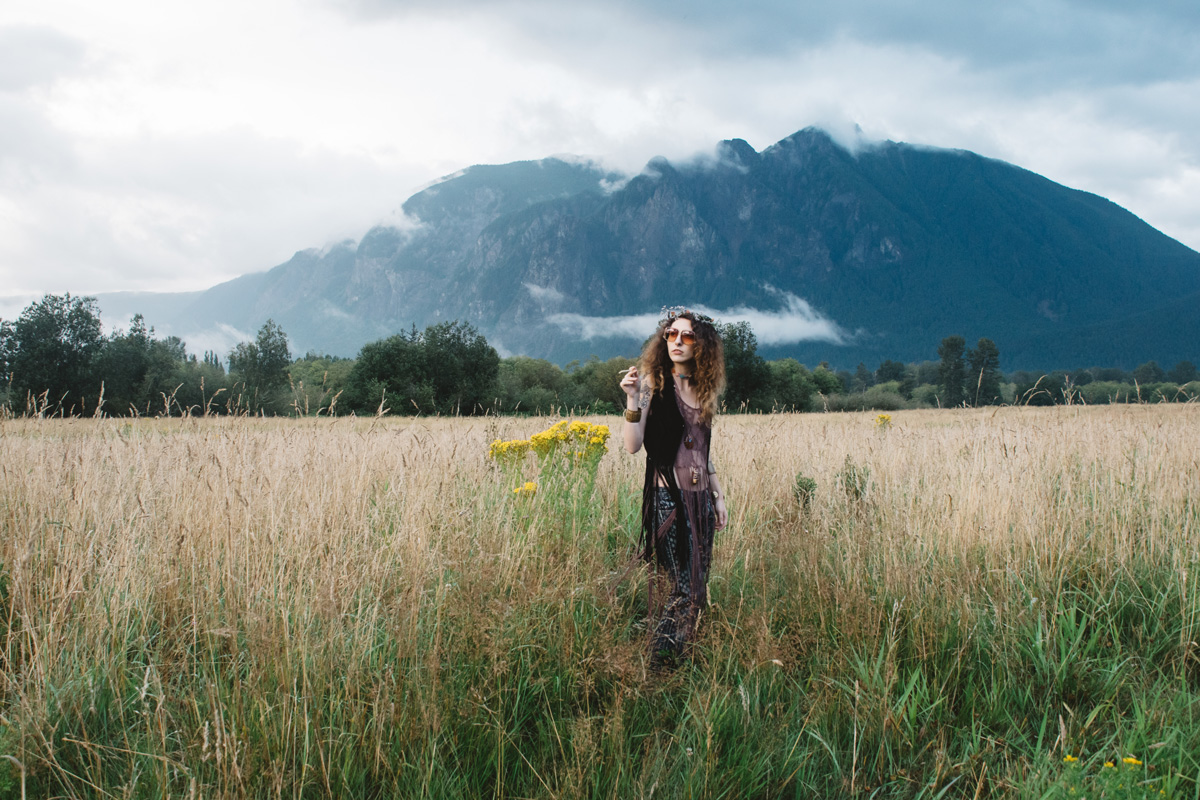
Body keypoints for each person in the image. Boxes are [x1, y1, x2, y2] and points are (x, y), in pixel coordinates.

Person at [619, 307, 727, 668]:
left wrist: (718, 494)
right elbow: (633, 445)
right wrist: (633, 400)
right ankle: (660, 664)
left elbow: (702, 451)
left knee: (697, 585)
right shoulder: (652, 384)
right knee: (682, 586)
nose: (677, 342)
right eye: (671, 334)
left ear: (702, 346)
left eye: (687, 336)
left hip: (701, 502)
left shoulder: (703, 389)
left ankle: (679, 654)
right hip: (668, 498)